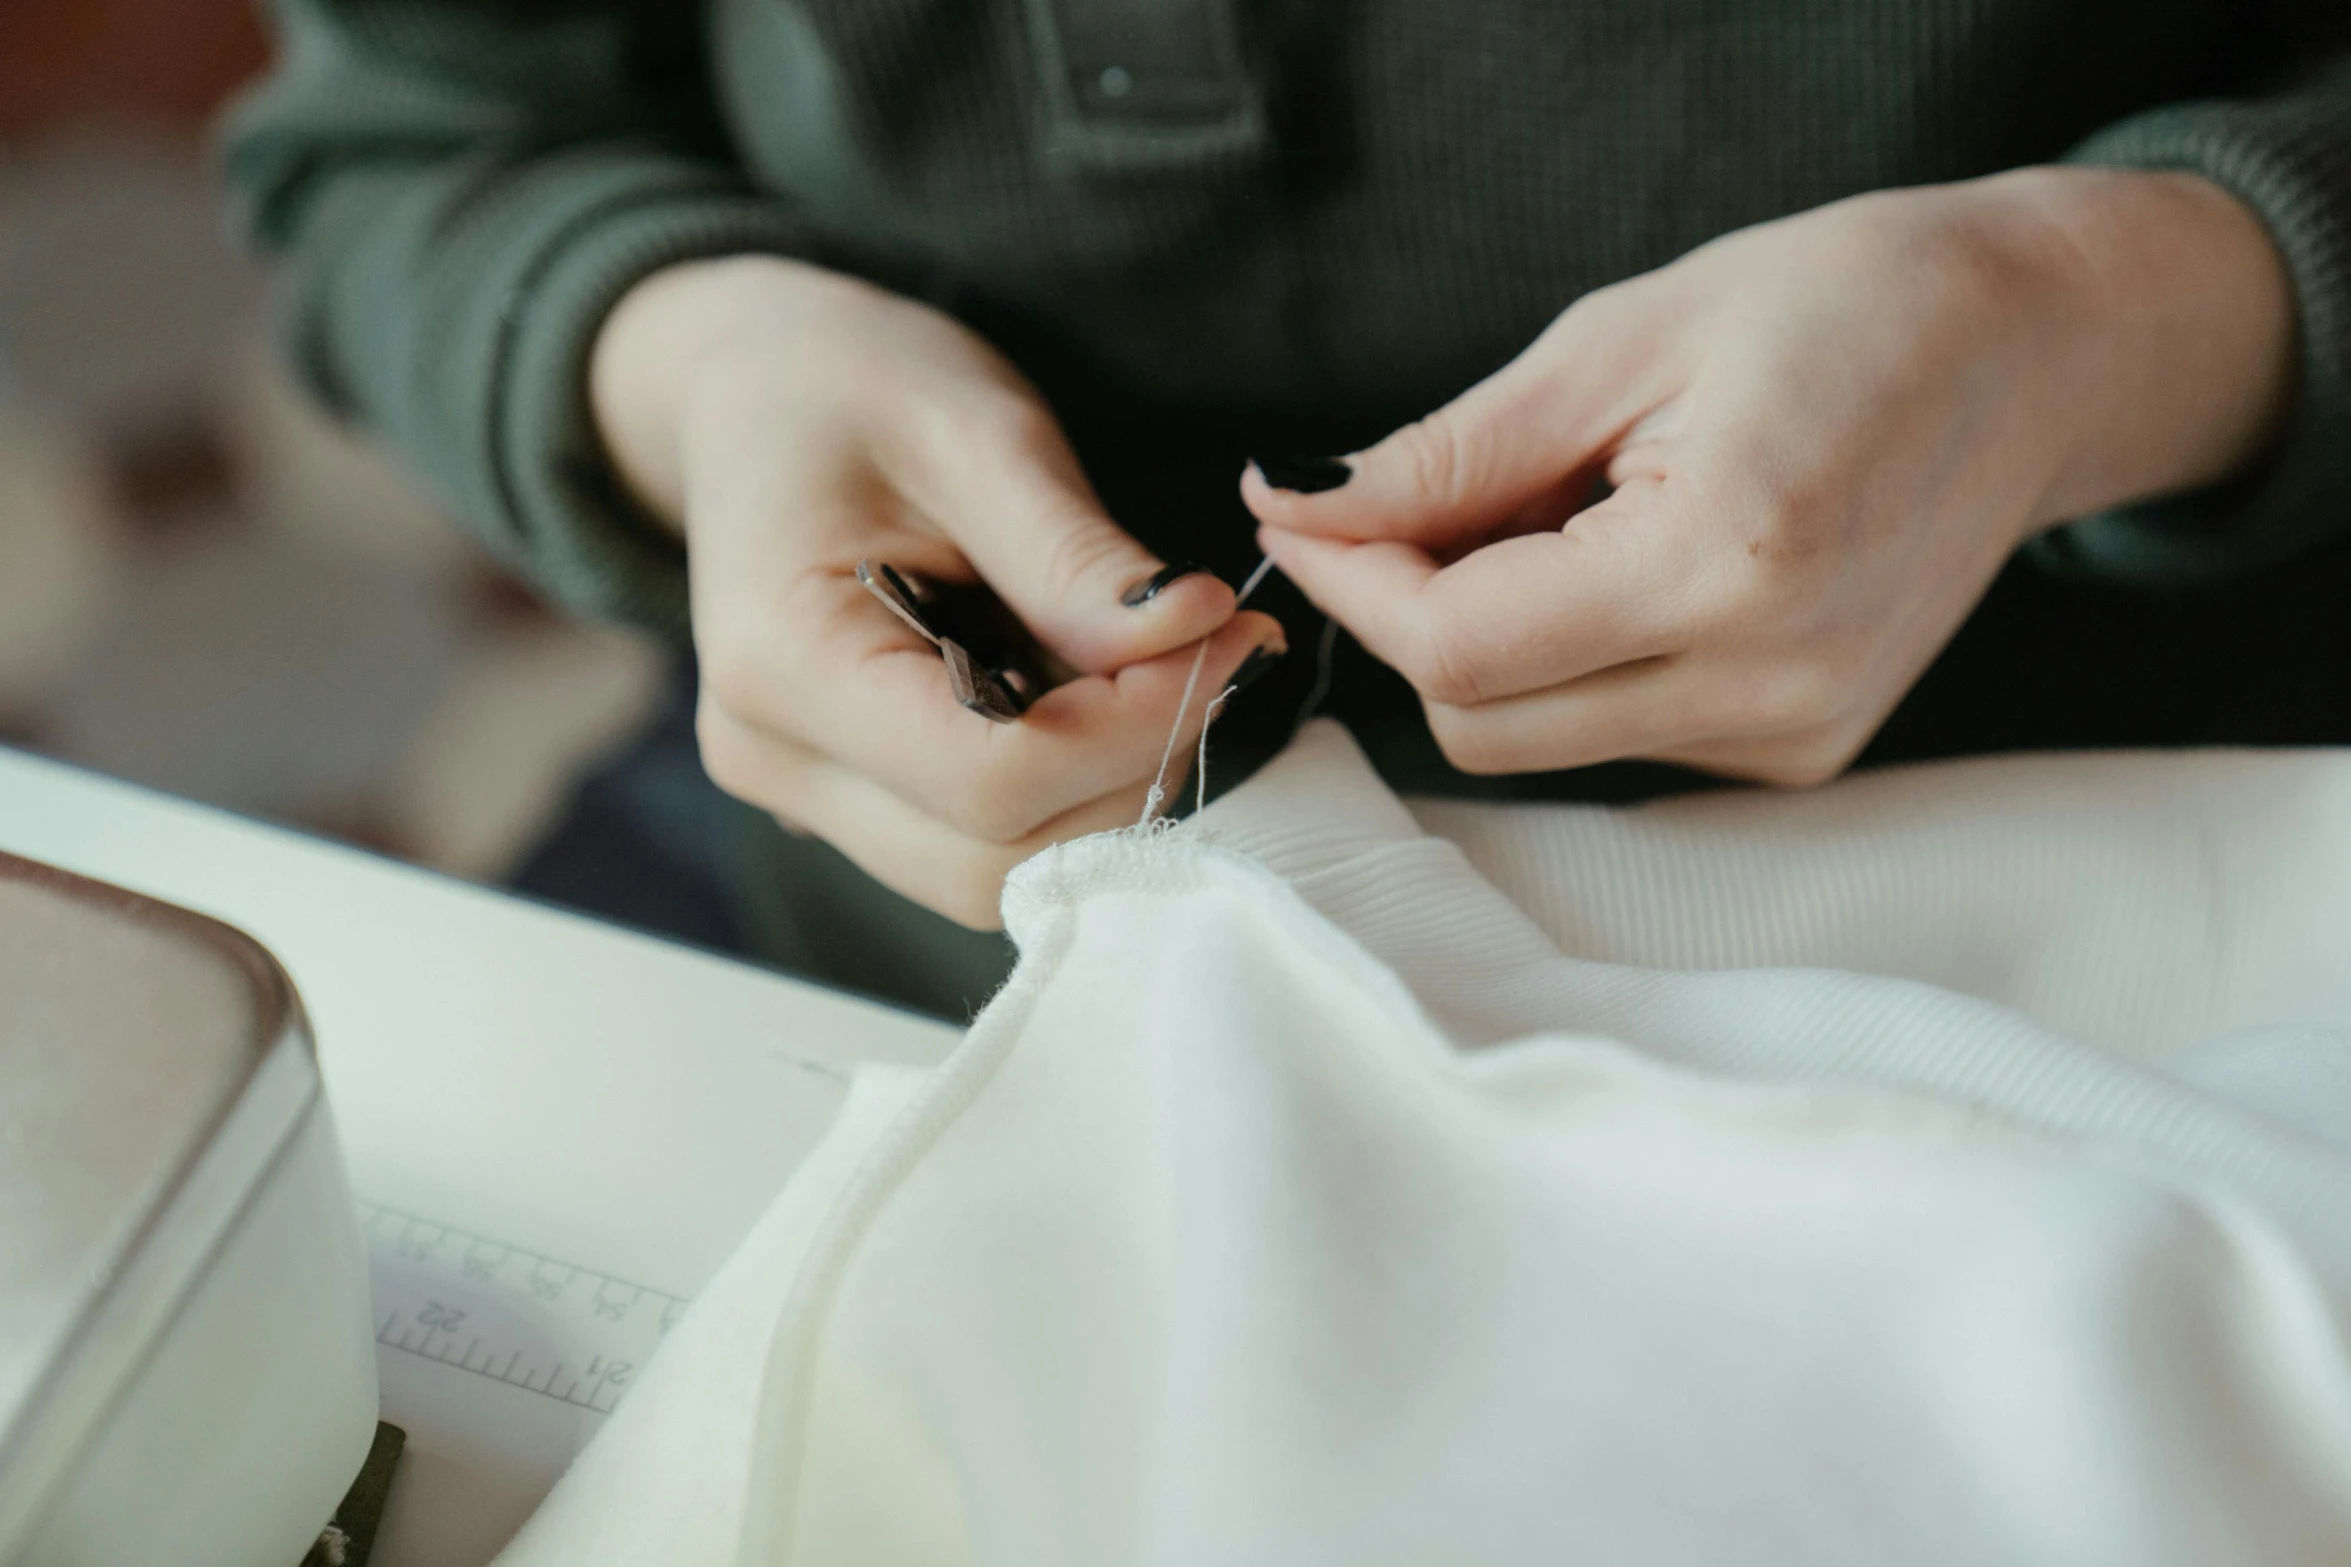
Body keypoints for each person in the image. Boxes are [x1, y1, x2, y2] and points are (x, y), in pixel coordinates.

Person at [223, 1, 2351, 1017]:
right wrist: (693, 369)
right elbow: (406, 142)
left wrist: (2124, 314)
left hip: (2140, 913)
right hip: (897, 939)